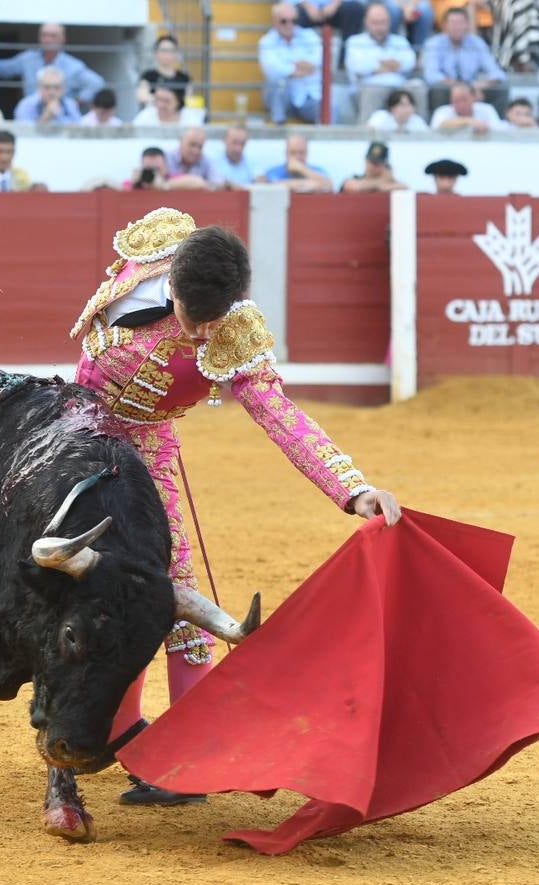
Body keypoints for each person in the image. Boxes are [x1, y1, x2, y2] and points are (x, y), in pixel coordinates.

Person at [68, 207, 400, 804]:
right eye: (197, 320)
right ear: (171, 283)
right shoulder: (156, 243)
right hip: (66, 435)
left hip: (144, 462)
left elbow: (281, 416)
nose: (202, 336)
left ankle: (185, 760)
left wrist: (352, 489)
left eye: (214, 321)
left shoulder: (233, 332)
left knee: (174, 596)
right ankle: (114, 732)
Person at [345, 2, 425, 124]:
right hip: (369, 88)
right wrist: (393, 65)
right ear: (366, 22)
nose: (380, 27)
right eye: (375, 23)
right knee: (373, 90)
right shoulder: (355, 41)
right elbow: (358, 66)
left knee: (417, 87)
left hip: (399, 86)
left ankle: (422, 134)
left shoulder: (400, 41)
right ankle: (365, 135)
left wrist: (376, 67)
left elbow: (410, 62)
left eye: (383, 22)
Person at [0, 21, 104, 108]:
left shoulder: (73, 65)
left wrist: (74, 103)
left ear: (62, 39)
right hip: (31, 114)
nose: (48, 40)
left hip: (60, 117)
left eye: (53, 36)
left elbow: (97, 83)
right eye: (44, 35)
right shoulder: (27, 59)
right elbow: (3, 69)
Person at [422, 5, 507, 112]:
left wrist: (483, 84)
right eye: (453, 23)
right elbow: (432, 75)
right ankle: (439, 124)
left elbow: (496, 72)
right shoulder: (434, 44)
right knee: (438, 89)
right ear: (445, 25)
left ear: (467, 24)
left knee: (501, 88)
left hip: (473, 87)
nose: (457, 27)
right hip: (447, 88)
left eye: (460, 23)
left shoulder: (476, 43)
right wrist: (460, 87)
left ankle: (498, 124)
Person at [259, 2, 323, 125]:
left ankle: (327, 141)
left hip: (308, 96)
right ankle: (278, 129)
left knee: (331, 108)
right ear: (274, 20)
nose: (289, 25)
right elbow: (274, 71)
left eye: (294, 20)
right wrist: (303, 68)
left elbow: (318, 61)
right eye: (284, 21)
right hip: (284, 98)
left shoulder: (309, 35)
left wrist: (289, 66)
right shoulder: (266, 41)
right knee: (278, 83)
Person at [264, 132, 333, 191]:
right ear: (286, 153)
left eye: (301, 152)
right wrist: (313, 185)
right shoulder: (274, 171)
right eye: (293, 152)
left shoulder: (317, 170)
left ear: (307, 153)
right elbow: (270, 186)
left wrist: (302, 169)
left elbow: (328, 185)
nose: (297, 157)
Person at [135, 33, 191, 106]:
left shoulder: (184, 77)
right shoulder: (148, 76)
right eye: (163, 50)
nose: (166, 55)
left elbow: (189, 99)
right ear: (155, 53)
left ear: (176, 54)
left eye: (170, 50)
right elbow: (141, 96)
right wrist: (166, 101)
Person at [12, 66, 79, 124]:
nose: (52, 92)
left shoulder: (70, 104)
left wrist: (60, 116)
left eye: (57, 87)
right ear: (38, 87)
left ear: (63, 89)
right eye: (47, 87)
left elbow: (78, 129)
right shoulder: (26, 105)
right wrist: (45, 117)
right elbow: (23, 133)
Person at [429, 82, 501, 132]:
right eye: (456, 101)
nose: (461, 104)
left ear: (473, 98)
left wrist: (485, 127)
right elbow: (438, 127)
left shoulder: (487, 109)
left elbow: (498, 130)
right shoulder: (442, 111)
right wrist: (468, 121)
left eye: (464, 100)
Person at [340, 140, 408, 192]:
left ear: (384, 165)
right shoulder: (355, 179)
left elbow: (404, 188)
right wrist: (381, 182)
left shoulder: (393, 183)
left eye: (376, 163)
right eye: (369, 162)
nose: (371, 166)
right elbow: (352, 186)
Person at [133, 81, 198, 126]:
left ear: (178, 101)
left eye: (167, 101)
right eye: (158, 99)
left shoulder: (190, 118)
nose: (161, 105)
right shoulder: (146, 115)